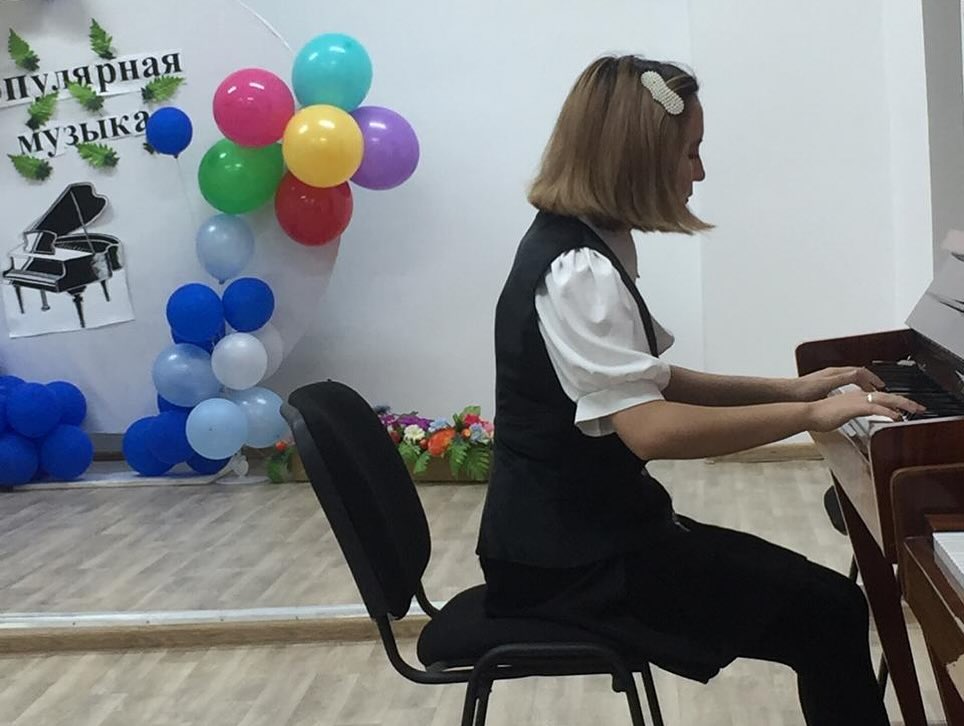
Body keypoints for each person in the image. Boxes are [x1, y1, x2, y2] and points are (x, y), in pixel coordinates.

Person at [475, 55, 923, 725]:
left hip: (586, 538)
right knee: (829, 610)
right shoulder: (577, 271)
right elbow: (652, 428)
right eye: (691, 151)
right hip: (568, 565)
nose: (700, 172)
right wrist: (811, 412)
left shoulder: (586, 244)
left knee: (826, 605)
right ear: (637, 156)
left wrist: (792, 389)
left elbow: (650, 380)